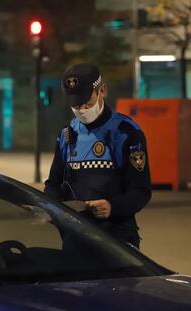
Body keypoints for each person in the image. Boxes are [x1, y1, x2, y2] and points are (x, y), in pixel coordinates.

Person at [44, 63, 151, 248]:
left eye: (87, 102)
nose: (82, 109)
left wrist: (112, 207)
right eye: (76, 105)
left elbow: (141, 191)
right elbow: (53, 183)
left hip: (117, 240)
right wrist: (49, 209)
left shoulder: (126, 132)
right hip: (75, 238)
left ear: (102, 90)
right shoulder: (67, 134)